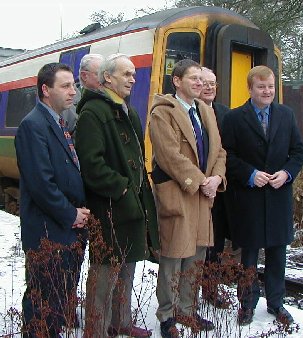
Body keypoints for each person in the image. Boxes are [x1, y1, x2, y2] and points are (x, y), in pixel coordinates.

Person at [75, 53, 159, 338]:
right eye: (126, 74)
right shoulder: (93, 113)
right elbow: (91, 164)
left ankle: (120, 322)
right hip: (110, 208)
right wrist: (122, 187)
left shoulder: (128, 111)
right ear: (107, 77)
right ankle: (95, 331)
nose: (133, 79)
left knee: (127, 269)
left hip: (131, 208)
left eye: (134, 74)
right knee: (103, 276)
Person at [222, 65, 303, 325]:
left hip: (279, 197)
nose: (267, 91)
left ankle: (276, 304)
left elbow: (298, 151)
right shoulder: (234, 119)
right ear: (250, 89)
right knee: (248, 256)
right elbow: (227, 156)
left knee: (277, 255)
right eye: (261, 87)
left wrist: (287, 174)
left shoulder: (286, 115)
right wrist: (250, 174)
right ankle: (246, 304)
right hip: (249, 199)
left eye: (270, 86)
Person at [149, 59, 227, 338]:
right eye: (192, 78)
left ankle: (187, 308)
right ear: (177, 81)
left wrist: (217, 178)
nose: (199, 83)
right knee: (173, 255)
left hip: (203, 194)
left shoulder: (206, 111)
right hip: (179, 191)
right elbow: (170, 155)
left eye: (201, 79)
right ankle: (167, 315)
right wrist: (201, 181)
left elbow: (219, 151)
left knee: (197, 253)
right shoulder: (162, 113)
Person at [15, 62, 90, 337]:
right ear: (45, 90)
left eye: (74, 85)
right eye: (66, 86)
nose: (73, 91)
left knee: (56, 305)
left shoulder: (59, 122)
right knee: (42, 303)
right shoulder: (33, 126)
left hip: (64, 232)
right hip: (48, 233)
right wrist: (71, 214)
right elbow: (41, 185)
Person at [199, 67, 231, 308]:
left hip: (218, 190)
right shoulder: (188, 113)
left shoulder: (224, 113)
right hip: (196, 189)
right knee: (196, 243)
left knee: (216, 242)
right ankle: (188, 294)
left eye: (214, 83)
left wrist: (218, 179)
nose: (210, 88)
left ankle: (210, 290)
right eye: (205, 83)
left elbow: (227, 151)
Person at [61, 53, 103, 135]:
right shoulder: (67, 105)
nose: (105, 78)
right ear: (84, 76)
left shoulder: (109, 100)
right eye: (99, 74)